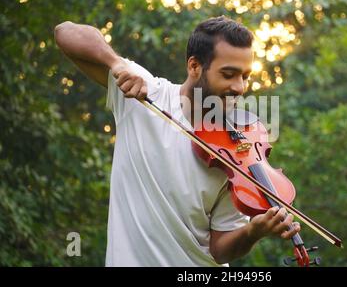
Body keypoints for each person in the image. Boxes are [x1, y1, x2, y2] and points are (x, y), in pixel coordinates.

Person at [54, 16, 300, 266]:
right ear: (194, 66)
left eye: (245, 76)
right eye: (228, 74)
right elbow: (65, 32)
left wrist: (252, 232)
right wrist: (116, 64)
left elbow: (220, 250)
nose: (239, 87)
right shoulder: (146, 94)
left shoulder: (238, 153)